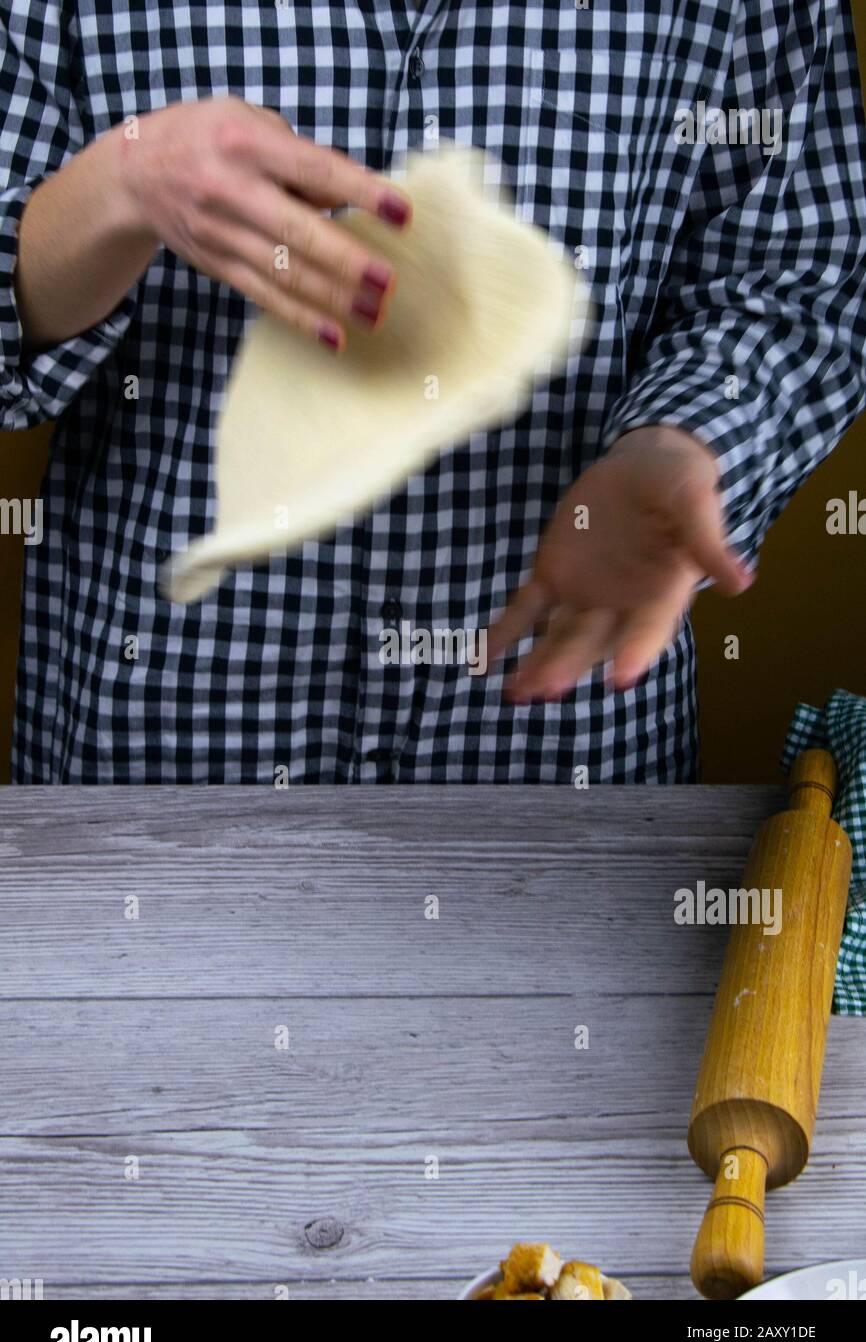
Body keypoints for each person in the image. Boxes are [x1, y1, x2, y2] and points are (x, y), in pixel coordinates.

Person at [1, 1, 864, 784]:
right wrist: (122, 186)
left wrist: (684, 439)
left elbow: (797, 283)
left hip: (559, 770)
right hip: (157, 753)